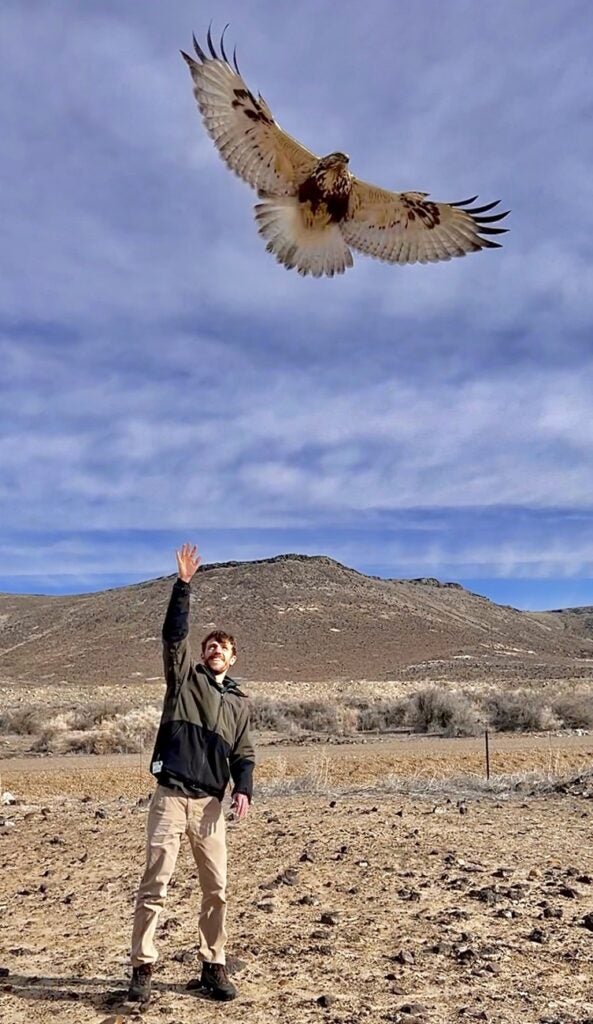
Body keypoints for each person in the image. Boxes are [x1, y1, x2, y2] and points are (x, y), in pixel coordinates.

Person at [128, 543, 254, 1004]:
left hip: (210, 805)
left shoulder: (240, 704)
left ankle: (213, 966)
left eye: (222, 646)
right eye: (209, 645)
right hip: (170, 796)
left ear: (233, 657)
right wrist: (183, 587)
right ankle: (142, 967)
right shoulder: (184, 680)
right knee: (155, 883)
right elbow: (173, 638)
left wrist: (243, 788)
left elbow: (244, 752)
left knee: (216, 888)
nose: (214, 648)